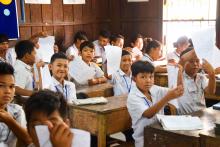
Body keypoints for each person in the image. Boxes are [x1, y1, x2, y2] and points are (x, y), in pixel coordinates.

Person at [127, 61, 184, 147]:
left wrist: (179, 73)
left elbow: (177, 91)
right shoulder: (133, 97)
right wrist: (167, 98)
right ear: (134, 79)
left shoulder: (154, 89)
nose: (148, 80)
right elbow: (148, 114)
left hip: (160, 135)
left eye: (151, 76)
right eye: (143, 77)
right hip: (144, 140)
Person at [0, 62, 32, 147]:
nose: (8, 91)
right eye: (1, 86)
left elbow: (28, 141)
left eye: (11, 86)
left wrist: (10, 121)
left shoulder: (16, 111)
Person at [177, 47, 216, 115]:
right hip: (185, 117)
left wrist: (212, 74)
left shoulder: (201, 77)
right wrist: (200, 46)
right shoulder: (178, 76)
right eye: (191, 61)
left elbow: (211, 92)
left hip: (202, 115)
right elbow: (183, 59)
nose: (195, 64)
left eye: (197, 61)